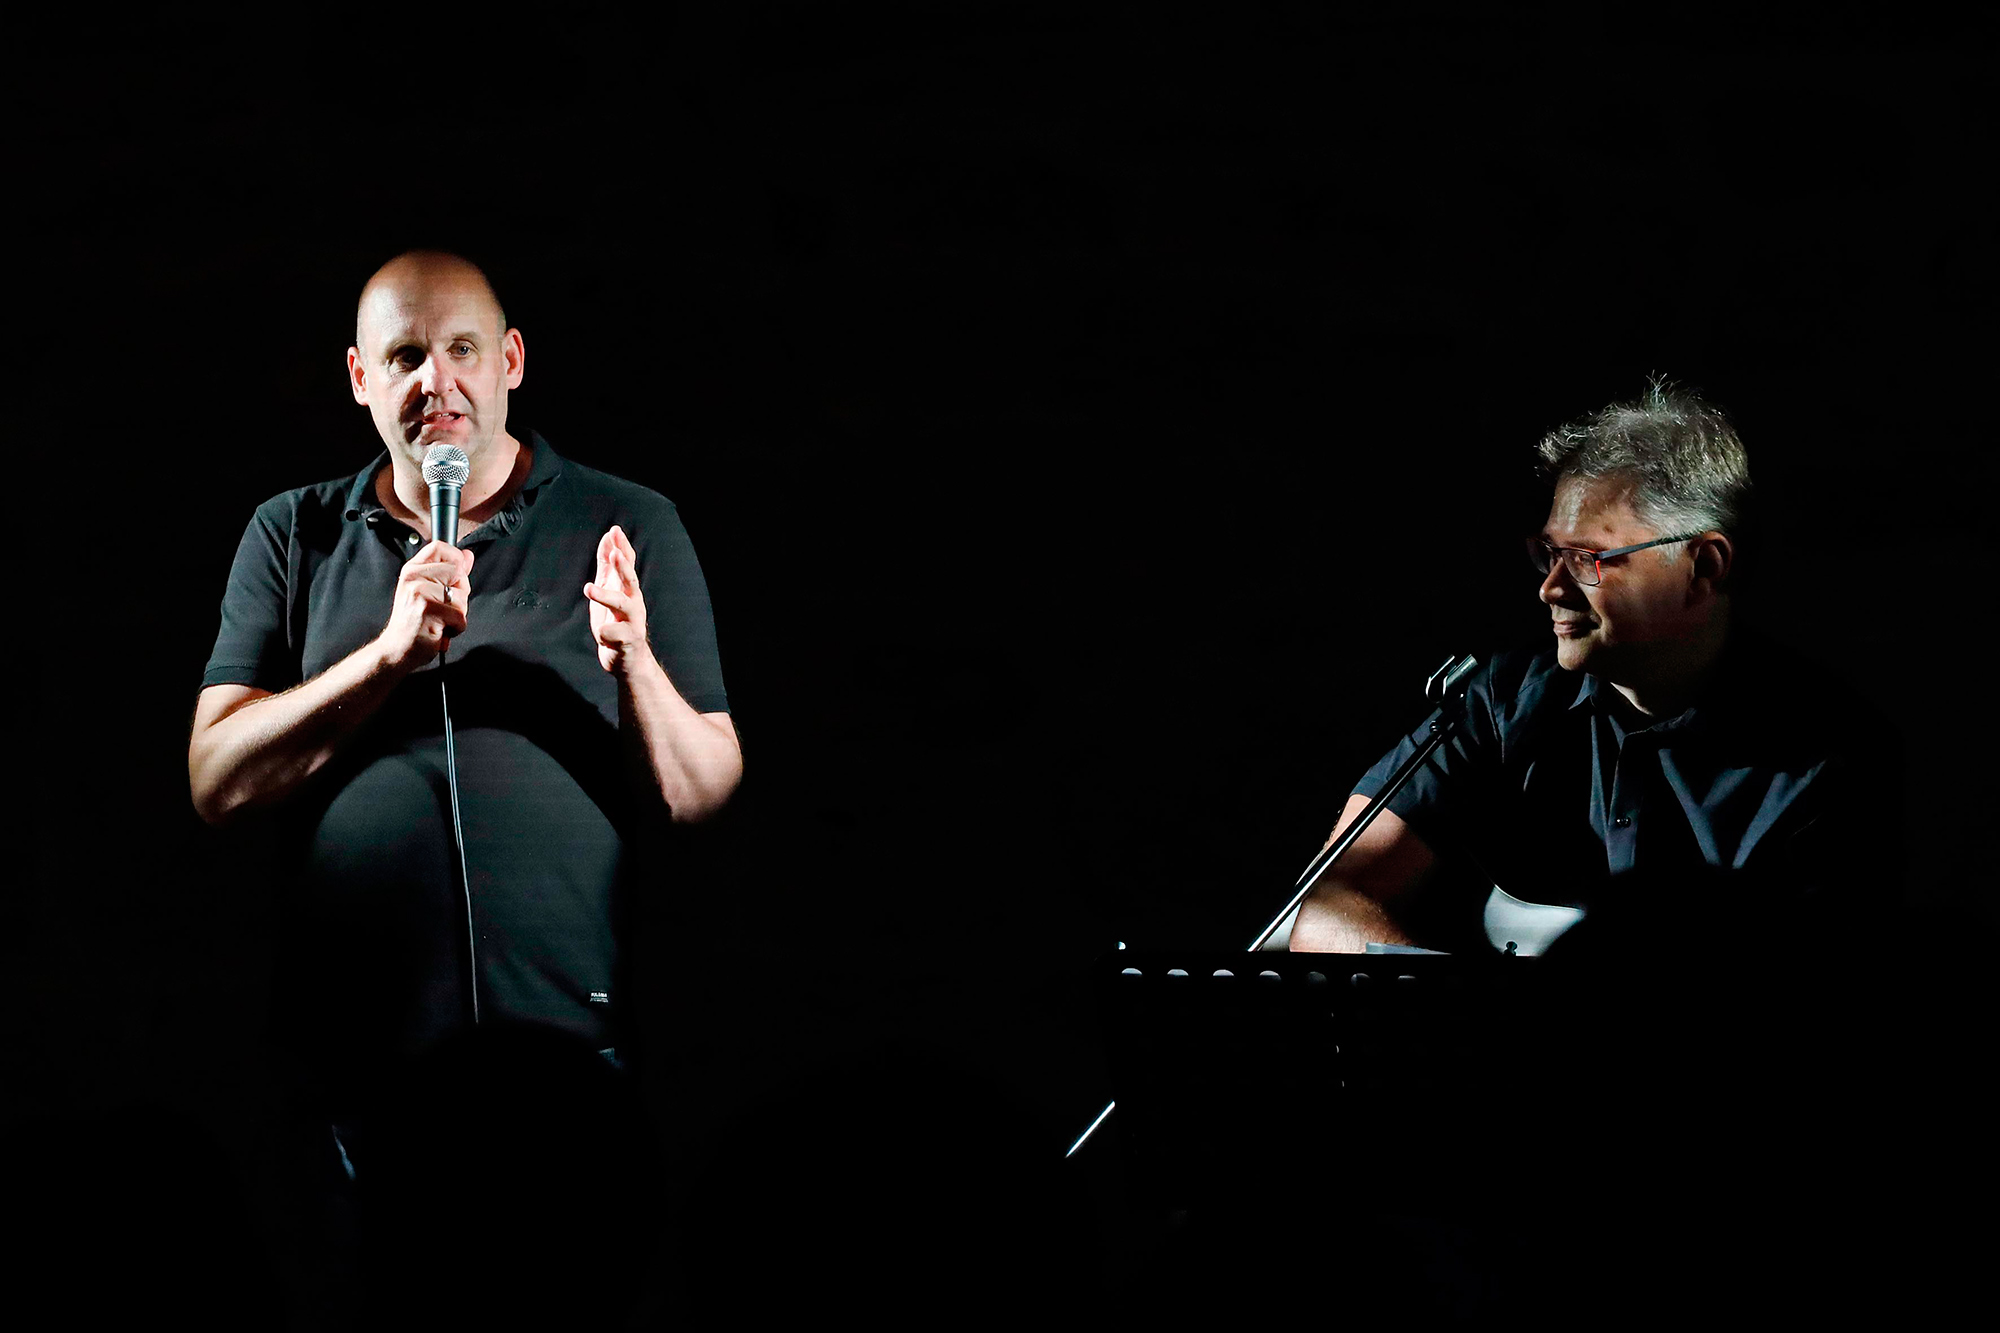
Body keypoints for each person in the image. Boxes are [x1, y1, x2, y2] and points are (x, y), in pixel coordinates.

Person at [188, 248, 742, 1120]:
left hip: (573, 1060)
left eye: (462, 349)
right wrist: (387, 657)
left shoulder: (627, 522)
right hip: (351, 1069)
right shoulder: (292, 533)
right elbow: (215, 780)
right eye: (405, 356)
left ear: (510, 361)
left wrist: (637, 661)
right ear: (361, 378)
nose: (434, 382)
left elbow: (704, 791)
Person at [1289, 381, 1892, 957]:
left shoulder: (1829, 762)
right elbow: (1329, 901)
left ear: (1705, 567)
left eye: (1586, 559)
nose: (1550, 589)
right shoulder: (1499, 700)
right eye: (1550, 554)